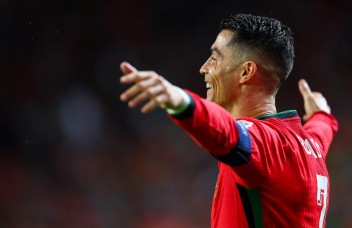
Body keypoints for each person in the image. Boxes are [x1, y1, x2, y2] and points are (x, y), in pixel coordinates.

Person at [119, 14, 338, 228]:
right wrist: (322, 115)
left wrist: (181, 100)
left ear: (246, 71)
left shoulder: (268, 145)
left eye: (215, 58)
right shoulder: (311, 145)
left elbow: (228, 135)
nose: (204, 68)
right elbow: (321, 131)